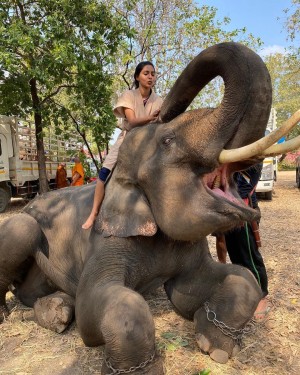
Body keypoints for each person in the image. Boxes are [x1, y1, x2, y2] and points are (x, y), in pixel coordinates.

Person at [82, 61, 163, 229]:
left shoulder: (159, 101)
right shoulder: (128, 95)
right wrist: (151, 118)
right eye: (146, 73)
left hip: (149, 141)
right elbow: (132, 122)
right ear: (137, 76)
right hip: (127, 139)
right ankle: (94, 213)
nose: (150, 76)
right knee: (103, 173)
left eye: (153, 74)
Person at [216, 163, 270, 321]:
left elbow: (243, 188)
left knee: (250, 257)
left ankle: (262, 296)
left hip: (244, 213)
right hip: (229, 213)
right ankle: (246, 291)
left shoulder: (253, 161)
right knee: (235, 255)